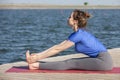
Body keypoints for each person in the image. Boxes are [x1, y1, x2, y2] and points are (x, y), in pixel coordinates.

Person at [26, 9, 113, 70]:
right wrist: (37, 55)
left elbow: (58, 49)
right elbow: (58, 46)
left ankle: (35, 66)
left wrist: (35, 58)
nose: (68, 19)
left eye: (69, 17)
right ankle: (35, 63)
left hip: (103, 61)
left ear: (75, 21)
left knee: (70, 63)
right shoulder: (77, 34)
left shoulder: (79, 35)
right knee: (71, 61)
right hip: (102, 60)